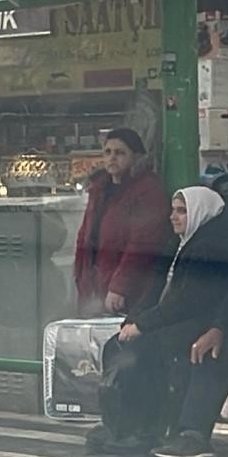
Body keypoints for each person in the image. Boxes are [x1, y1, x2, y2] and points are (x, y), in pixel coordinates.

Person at [89, 186, 228, 457]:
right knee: (123, 347)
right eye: (173, 210)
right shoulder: (178, 244)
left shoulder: (212, 247)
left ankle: (191, 434)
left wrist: (144, 325)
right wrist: (134, 322)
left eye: (182, 211)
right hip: (192, 322)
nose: (173, 217)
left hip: (217, 324)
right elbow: (156, 290)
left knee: (201, 353)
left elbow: (194, 299)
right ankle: (127, 424)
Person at [73, 128, 170, 318]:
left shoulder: (148, 191)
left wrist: (120, 287)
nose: (112, 158)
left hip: (128, 292)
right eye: (108, 152)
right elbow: (84, 236)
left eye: (120, 153)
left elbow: (143, 244)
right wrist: (80, 278)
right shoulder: (99, 190)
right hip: (94, 286)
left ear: (136, 157)